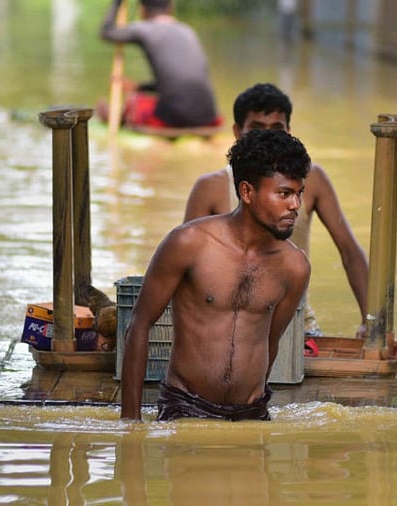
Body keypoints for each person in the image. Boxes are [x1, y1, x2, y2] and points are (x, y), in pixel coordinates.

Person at [120, 129, 312, 421]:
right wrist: (130, 423)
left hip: (251, 411)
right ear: (247, 192)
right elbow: (139, 324)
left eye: (299, 194)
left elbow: (269, 342)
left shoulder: (295, 267)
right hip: (185, 406)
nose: (295, 205)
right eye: (284, 194)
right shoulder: (189, 243)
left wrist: (254, 402)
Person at [183, 83, 368, 344]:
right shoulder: (210, 188)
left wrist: (371, 321)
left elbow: (350, 251)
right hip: (229, 328)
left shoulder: (313, 180)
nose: (266, 138)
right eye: (256, 129)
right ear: (237, 132)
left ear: (288, 132)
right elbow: (187, 269)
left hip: (299, 327)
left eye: (276, 129)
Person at [98, 0, 222, 128]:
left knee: (135, 101)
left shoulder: (144, 29)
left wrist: (117, 2)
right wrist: (138, 87)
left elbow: (107, 32)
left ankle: (116, 117)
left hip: (174, 119)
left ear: (142, 10)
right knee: (150, 98)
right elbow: (178, 80)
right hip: (209, 116)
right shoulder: (187, 30)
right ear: (170, 8)